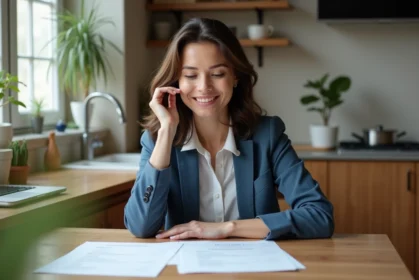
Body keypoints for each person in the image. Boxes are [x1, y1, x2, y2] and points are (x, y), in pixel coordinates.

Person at [124, 18, 334, 240]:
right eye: (191, 75)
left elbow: (320, 216)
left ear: (235, 76)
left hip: (254, 269)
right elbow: (140, 226)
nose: (204, 86)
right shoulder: (158, 140)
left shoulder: (267, 136)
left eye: (217, 74)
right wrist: (167, 130)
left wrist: (228, 228)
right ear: (177, 81)